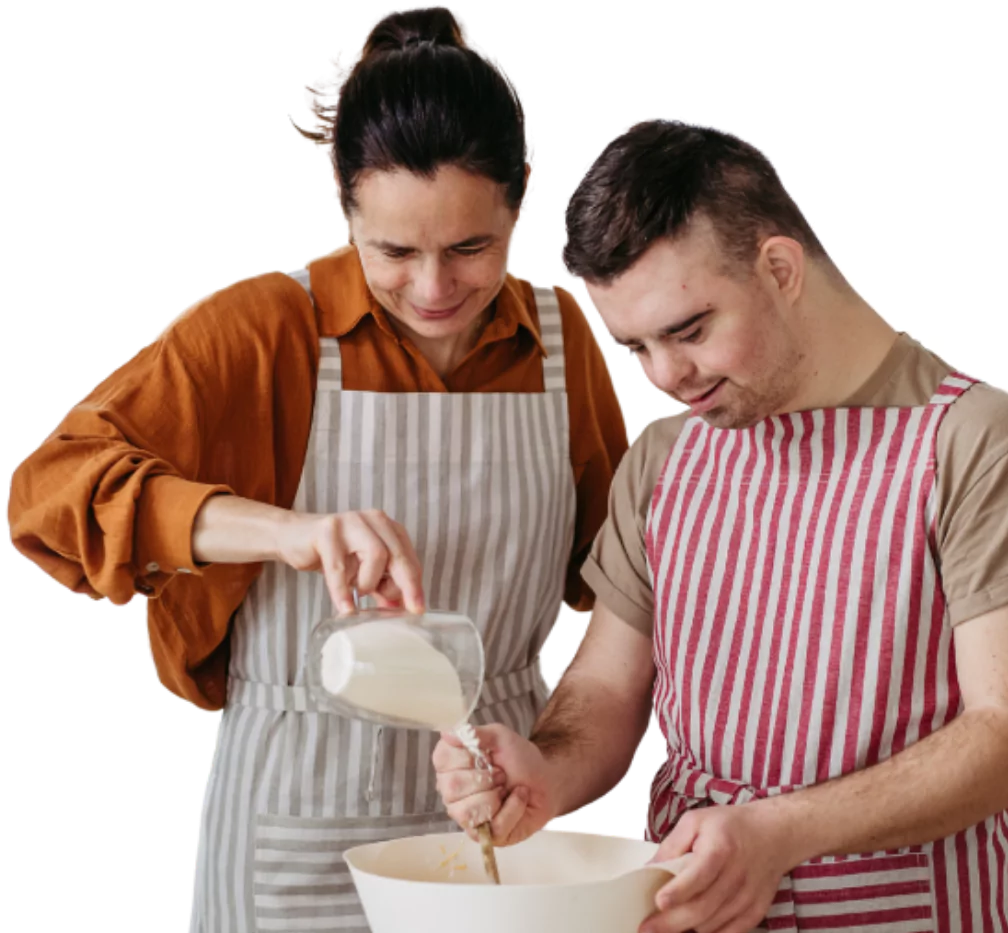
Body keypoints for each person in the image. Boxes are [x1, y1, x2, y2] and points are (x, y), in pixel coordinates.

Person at [6, 5, 630, 931]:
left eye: (471, 248)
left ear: (521, 194)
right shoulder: (267, 329)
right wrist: (286, 529)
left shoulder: (560, 339)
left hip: (499, 801)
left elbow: (621, 575)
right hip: (297, 824)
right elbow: (49, 490)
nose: (434, 289)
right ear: (341, 196)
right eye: (393, 251)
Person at [433, 117, 1008, 933]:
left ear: (780, 267)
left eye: (688, 330)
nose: (665, 376)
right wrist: (543, 766)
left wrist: (779, 831)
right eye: (636, 347)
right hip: (694, 909)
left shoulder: (980, 446)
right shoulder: (666, 457)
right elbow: (608, 687)